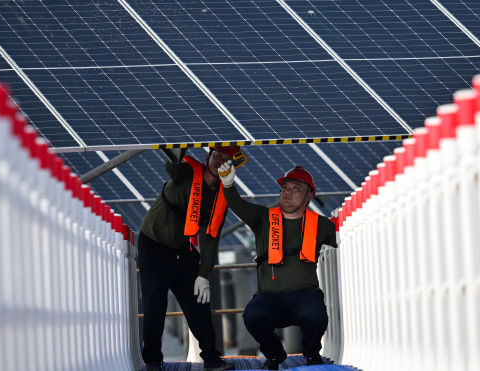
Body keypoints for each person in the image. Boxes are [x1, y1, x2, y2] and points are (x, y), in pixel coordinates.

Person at [217, 162, 337, 369]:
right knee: (253, 315)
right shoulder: (263, 218)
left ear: (309, 196)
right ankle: (275, 354)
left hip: (305, 296)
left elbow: (349, 241)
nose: (287, 192)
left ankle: (311, 354)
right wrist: (228, 184)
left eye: (295, 188)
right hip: (270, 298)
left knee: (316, 316)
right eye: (285, 188)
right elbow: (236, 204)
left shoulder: (322, 225)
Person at [138, 146, 242, 371]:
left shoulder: (223, 195)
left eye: (227, 159)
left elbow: (212, 237)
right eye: (217, 156)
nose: (220, 162)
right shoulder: (186, 172)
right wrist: (177, 153)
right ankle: (153, 361)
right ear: (208, 156)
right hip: (153, 245)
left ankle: (211, 359)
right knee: (155, 304)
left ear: (233, 165)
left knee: (199, 305)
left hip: (181, 250)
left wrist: (203, 274)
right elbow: (172, 166)